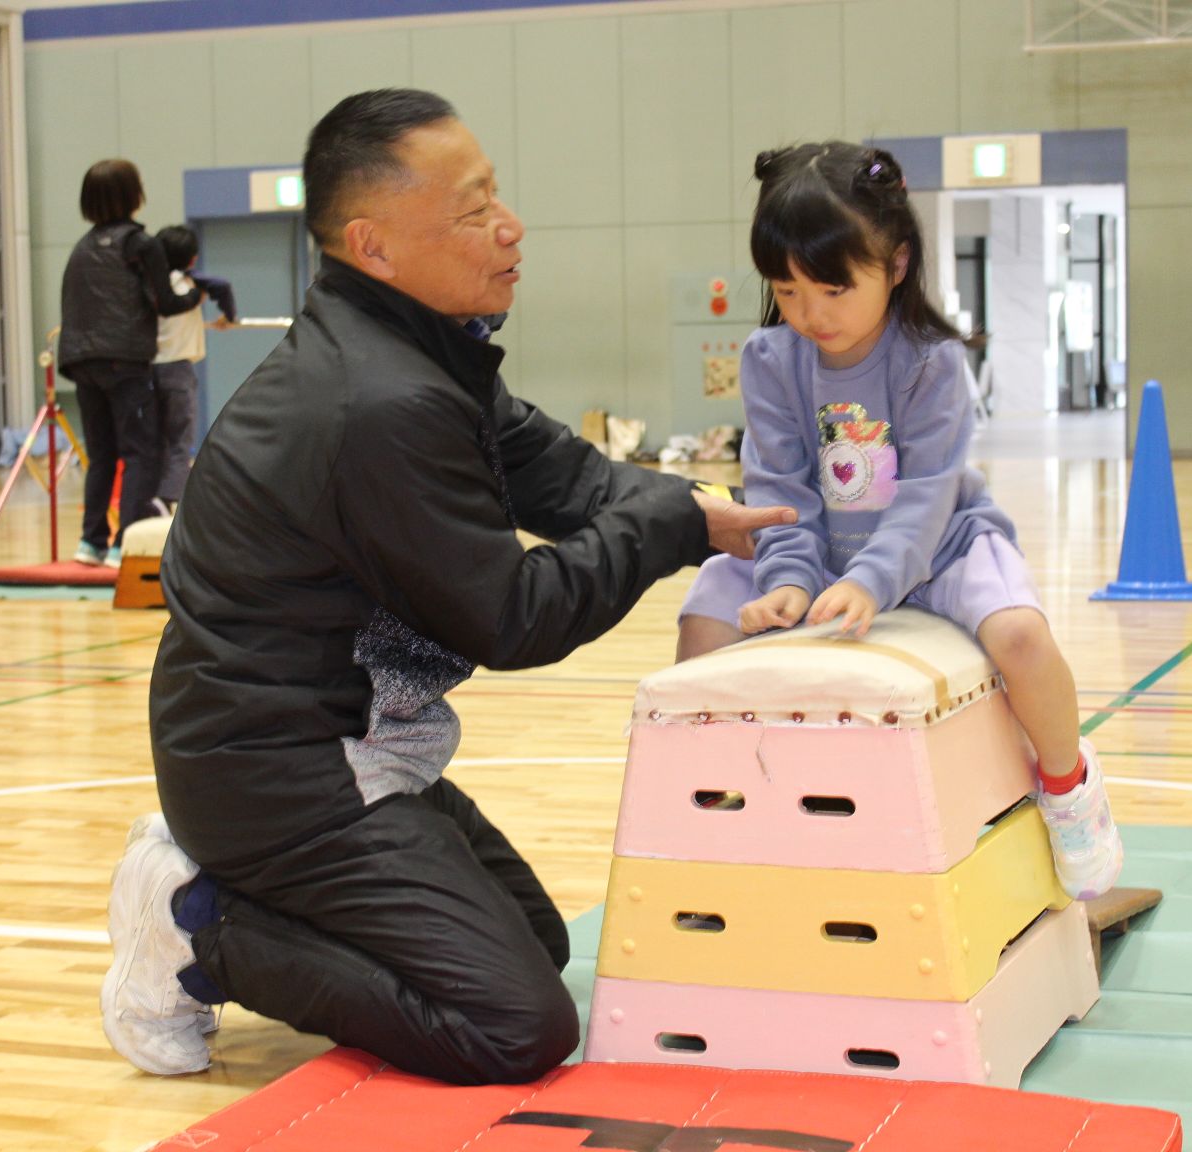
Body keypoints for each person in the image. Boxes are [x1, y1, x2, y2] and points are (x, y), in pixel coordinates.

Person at [100, 89, 793, 1085]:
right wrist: (672, 525)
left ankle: (236, 895)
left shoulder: (416, 351)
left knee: (536, 948)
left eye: (496, 196)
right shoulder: (377, 403)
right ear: (374, 245)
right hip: (279, 773)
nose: (508, 229)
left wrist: (704, 507)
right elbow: (513, 614)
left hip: (339, 746)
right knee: (515, 1026)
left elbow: (564, 476)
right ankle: (197, 928)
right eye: (472, 211)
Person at [675, 141, 1123, 904]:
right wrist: (786, 579)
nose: (810, 314)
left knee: (1020, 635)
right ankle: (714, 799)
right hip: (816, 554)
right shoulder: (771, 358)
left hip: (939, 545)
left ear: (898, 264)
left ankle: (1069, 786)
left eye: (833, 289)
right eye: (786, 292)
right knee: (704, 619)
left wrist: (873, 581)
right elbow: (780, 486)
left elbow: (926, 494)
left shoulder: (931, 361)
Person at [58, 159, 202, 568]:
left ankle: (91, 541)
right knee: (142, 452)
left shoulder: (82, 247)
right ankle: (127, 540)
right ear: (133, 194)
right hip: (125, 361)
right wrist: (198, 297)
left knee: (102, 454)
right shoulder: (141, 244)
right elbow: (168, 303)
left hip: (81, 361)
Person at [152, 225, 238, 515]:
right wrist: (229, 316)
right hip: (177, 370)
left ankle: (156, 494)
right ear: (191, 260)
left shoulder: (149, 284)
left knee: (157, 438)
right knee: (179, 439)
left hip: (148, 372)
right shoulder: (191, 282)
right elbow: (223, 287)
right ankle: (166, 499)